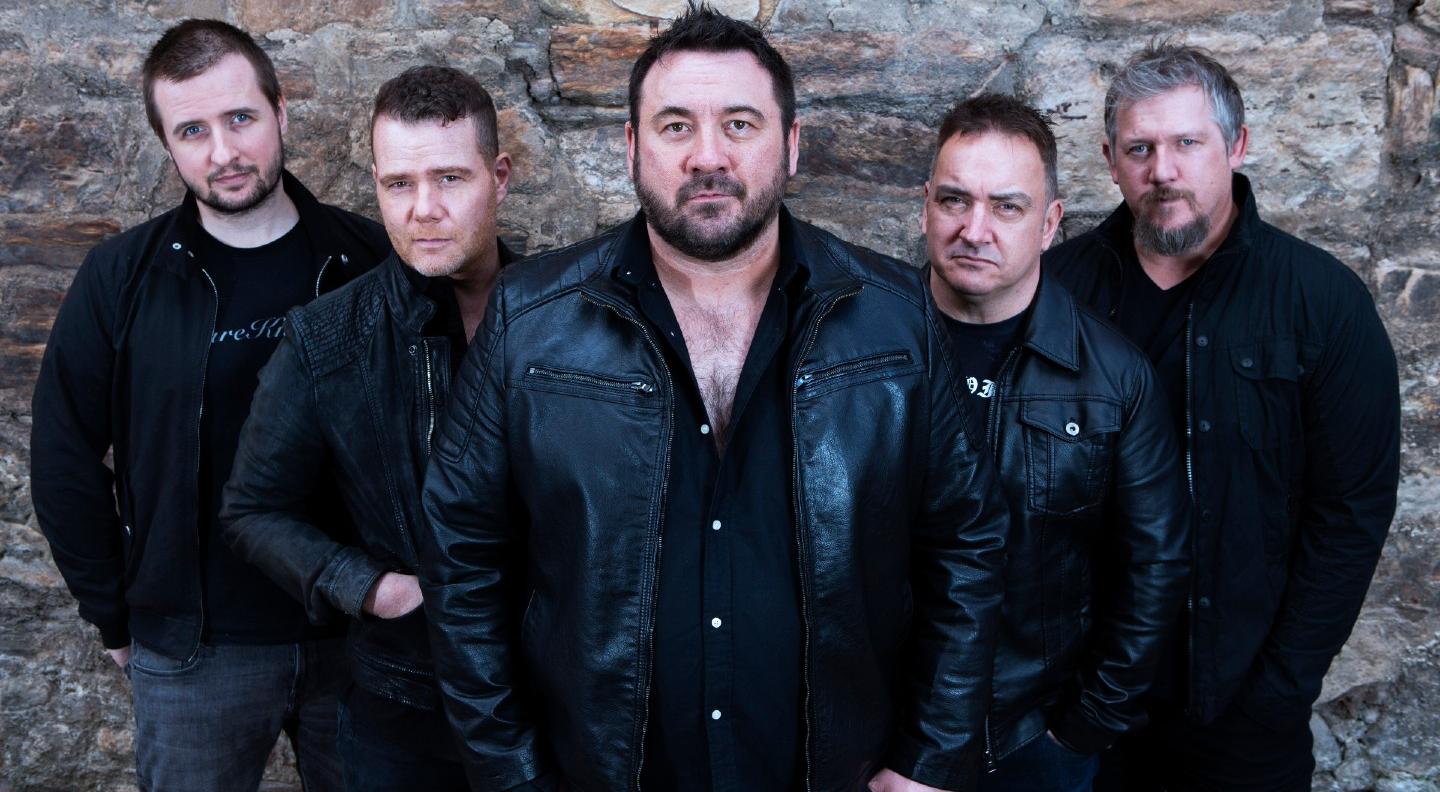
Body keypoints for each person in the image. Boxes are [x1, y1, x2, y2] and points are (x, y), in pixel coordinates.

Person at [415, 6, 1010, 792]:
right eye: (673, 126)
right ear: (630, 147)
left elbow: (965, 544)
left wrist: (928, 757)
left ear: (791, 145)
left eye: (739, 123)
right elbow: (462, 557)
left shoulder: (897, 318)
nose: (707, 156)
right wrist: (509, 774)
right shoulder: (529, 319)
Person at [29, 19, 389, 791]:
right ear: (168, 144)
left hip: (358, 638)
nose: (223, 152)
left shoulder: (369, 260)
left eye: (240, 119)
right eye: (193, 130)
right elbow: (62, 454)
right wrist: (113, 616)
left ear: (280, 114)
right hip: (193, 654)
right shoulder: (121, 278)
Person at [1045, 43, 1401, 791]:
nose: (1163, 170)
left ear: (1236, 147)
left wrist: (1280, 689)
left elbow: (1351, 512)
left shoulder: (1322, 303)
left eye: (1186, 143)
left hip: (1241, 715)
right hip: (1073, 704)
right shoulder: (1053, 294)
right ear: (1110, 161)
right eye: (1139, 148)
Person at [220, 65, 514, 791]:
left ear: (498, 177)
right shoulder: (329, 338)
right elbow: (253, 509)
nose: (423, 209)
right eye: (398, 185)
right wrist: (370, 586)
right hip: (399, 710)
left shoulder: (567, 314)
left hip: (550, 696)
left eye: (449, 178)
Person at [921, 93, 1190, 792]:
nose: (974, 229)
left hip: (1029, 739)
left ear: (1049, 225)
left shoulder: (1115, 377)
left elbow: (1155, 567)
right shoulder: (858, 347)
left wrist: (1079, 731)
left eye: (1006, 207)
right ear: (926, 206)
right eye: (955, 201)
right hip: (878, 729)